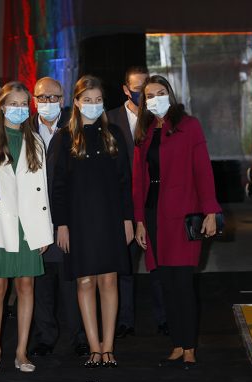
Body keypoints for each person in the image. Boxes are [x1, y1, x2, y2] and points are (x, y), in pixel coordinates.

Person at [133, 75, 220, 369]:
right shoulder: (144, 131)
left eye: (160, 92)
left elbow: (203, 170)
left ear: (170, 94)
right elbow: (138, 180)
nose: (155, 98)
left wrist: (210, 210)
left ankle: (190, 346)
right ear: (143, 101)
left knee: (183, 282)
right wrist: (139, 221)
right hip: (154, 213)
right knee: (165, 283)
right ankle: (177, 344)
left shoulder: (189, 126)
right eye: (149, 95)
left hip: (183, 214)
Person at [52, 75, 133, 368]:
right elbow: (57, 185)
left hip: (111, 218)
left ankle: (109, 346)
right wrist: (61, 223)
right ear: (75, 102)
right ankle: (94, 347)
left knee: (109, 280)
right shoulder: (64, 138)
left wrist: (128, 219)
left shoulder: (115, 134)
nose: (93, 105)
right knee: (85, 282)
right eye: (87, 100)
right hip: (78, 221)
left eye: (98, 100)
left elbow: (125, 181)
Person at [0, 81, 53, 373]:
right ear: (1, 106)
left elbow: (43, 189)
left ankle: (22, 351)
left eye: (24, 104)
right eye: (14, 104)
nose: (20, 109)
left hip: (29, 227)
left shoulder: (35, 141)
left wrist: (45, 230)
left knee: (26, 286)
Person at [107, 66, 169, 338]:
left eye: (146, 87)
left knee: (159, 265)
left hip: (155, 204)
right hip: (121, 206)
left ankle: (165, 319)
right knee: (124, 268)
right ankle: (125, 321)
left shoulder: (160, 119)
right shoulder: (108, 120)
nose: (142, 92)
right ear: (125, 89)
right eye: (136, 87)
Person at [29, 77, 88, 358]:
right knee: (41, 283)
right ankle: (45, 337)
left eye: (53, 97)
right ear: (34, 99)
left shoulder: (75, 129)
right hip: (35, 220)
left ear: (63, 99)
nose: (47, 102)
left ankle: (79, 336)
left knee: (70, 281)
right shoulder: (25, 129)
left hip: (68, 219)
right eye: (42, 97)